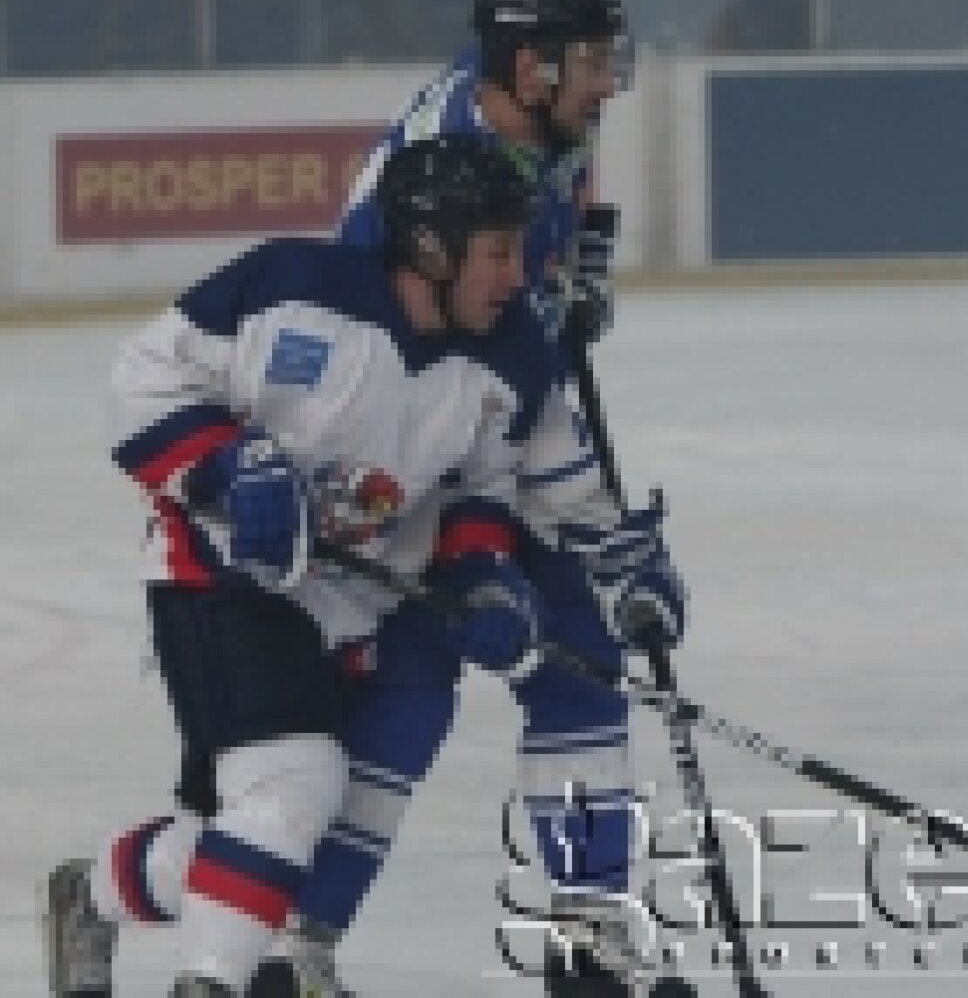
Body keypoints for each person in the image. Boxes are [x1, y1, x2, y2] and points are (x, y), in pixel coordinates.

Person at [40, 134, 661, 997]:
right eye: (495, 252)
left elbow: (483, 487)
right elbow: (142, 381)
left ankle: (95, 893)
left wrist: (484, 574)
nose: (517, 275)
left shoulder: (509, 350)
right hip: (220, 579)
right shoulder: (294, 286)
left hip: (347, 602)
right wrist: (227, 465)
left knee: (261, 828)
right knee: (297, 784)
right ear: (432, 247)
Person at [246, 0, 691, 998]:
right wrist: (575, 505)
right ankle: (288, 946)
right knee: (411, 681)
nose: (609, 81)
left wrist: (573, 274)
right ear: (530, 66)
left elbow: (560, 214)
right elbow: (433, 372)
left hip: (486, 407)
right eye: (590, 61)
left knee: (576, 648)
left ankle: (588, 937)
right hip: (401, 443)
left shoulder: (538, 112)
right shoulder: (445, 169)